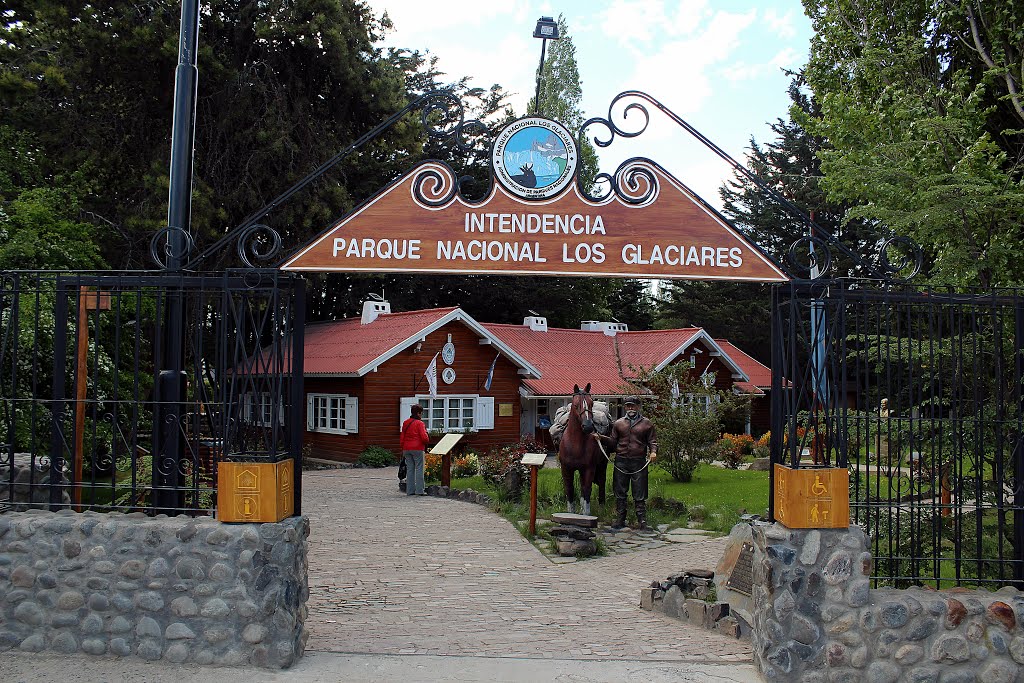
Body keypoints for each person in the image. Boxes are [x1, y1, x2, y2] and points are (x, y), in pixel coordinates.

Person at [596, 396, 657, 529]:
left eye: (633, 405)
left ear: (638, 407)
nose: (630, 408)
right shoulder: (618, 423)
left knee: (640, 491)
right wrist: (601, 438)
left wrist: (653, 452)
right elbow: (613, 441)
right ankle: (620, 519)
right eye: (628, 406)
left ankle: (642, 521)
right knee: (620, 491)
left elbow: (652, 441)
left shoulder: (647, 423)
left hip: (639, 462)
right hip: (621, 461)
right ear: (624, 407)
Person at [400, 404, 430, 496]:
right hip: (417, 448)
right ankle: (420, 490)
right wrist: (428, 440)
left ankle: (410, 490)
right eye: (421, 413)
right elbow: (424, 437)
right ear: (418, 413)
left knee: (410, 469)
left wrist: (403, 447)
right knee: (419, 469)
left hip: (406, 448)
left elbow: (402, 436)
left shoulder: (405, 422)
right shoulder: (420, 423)